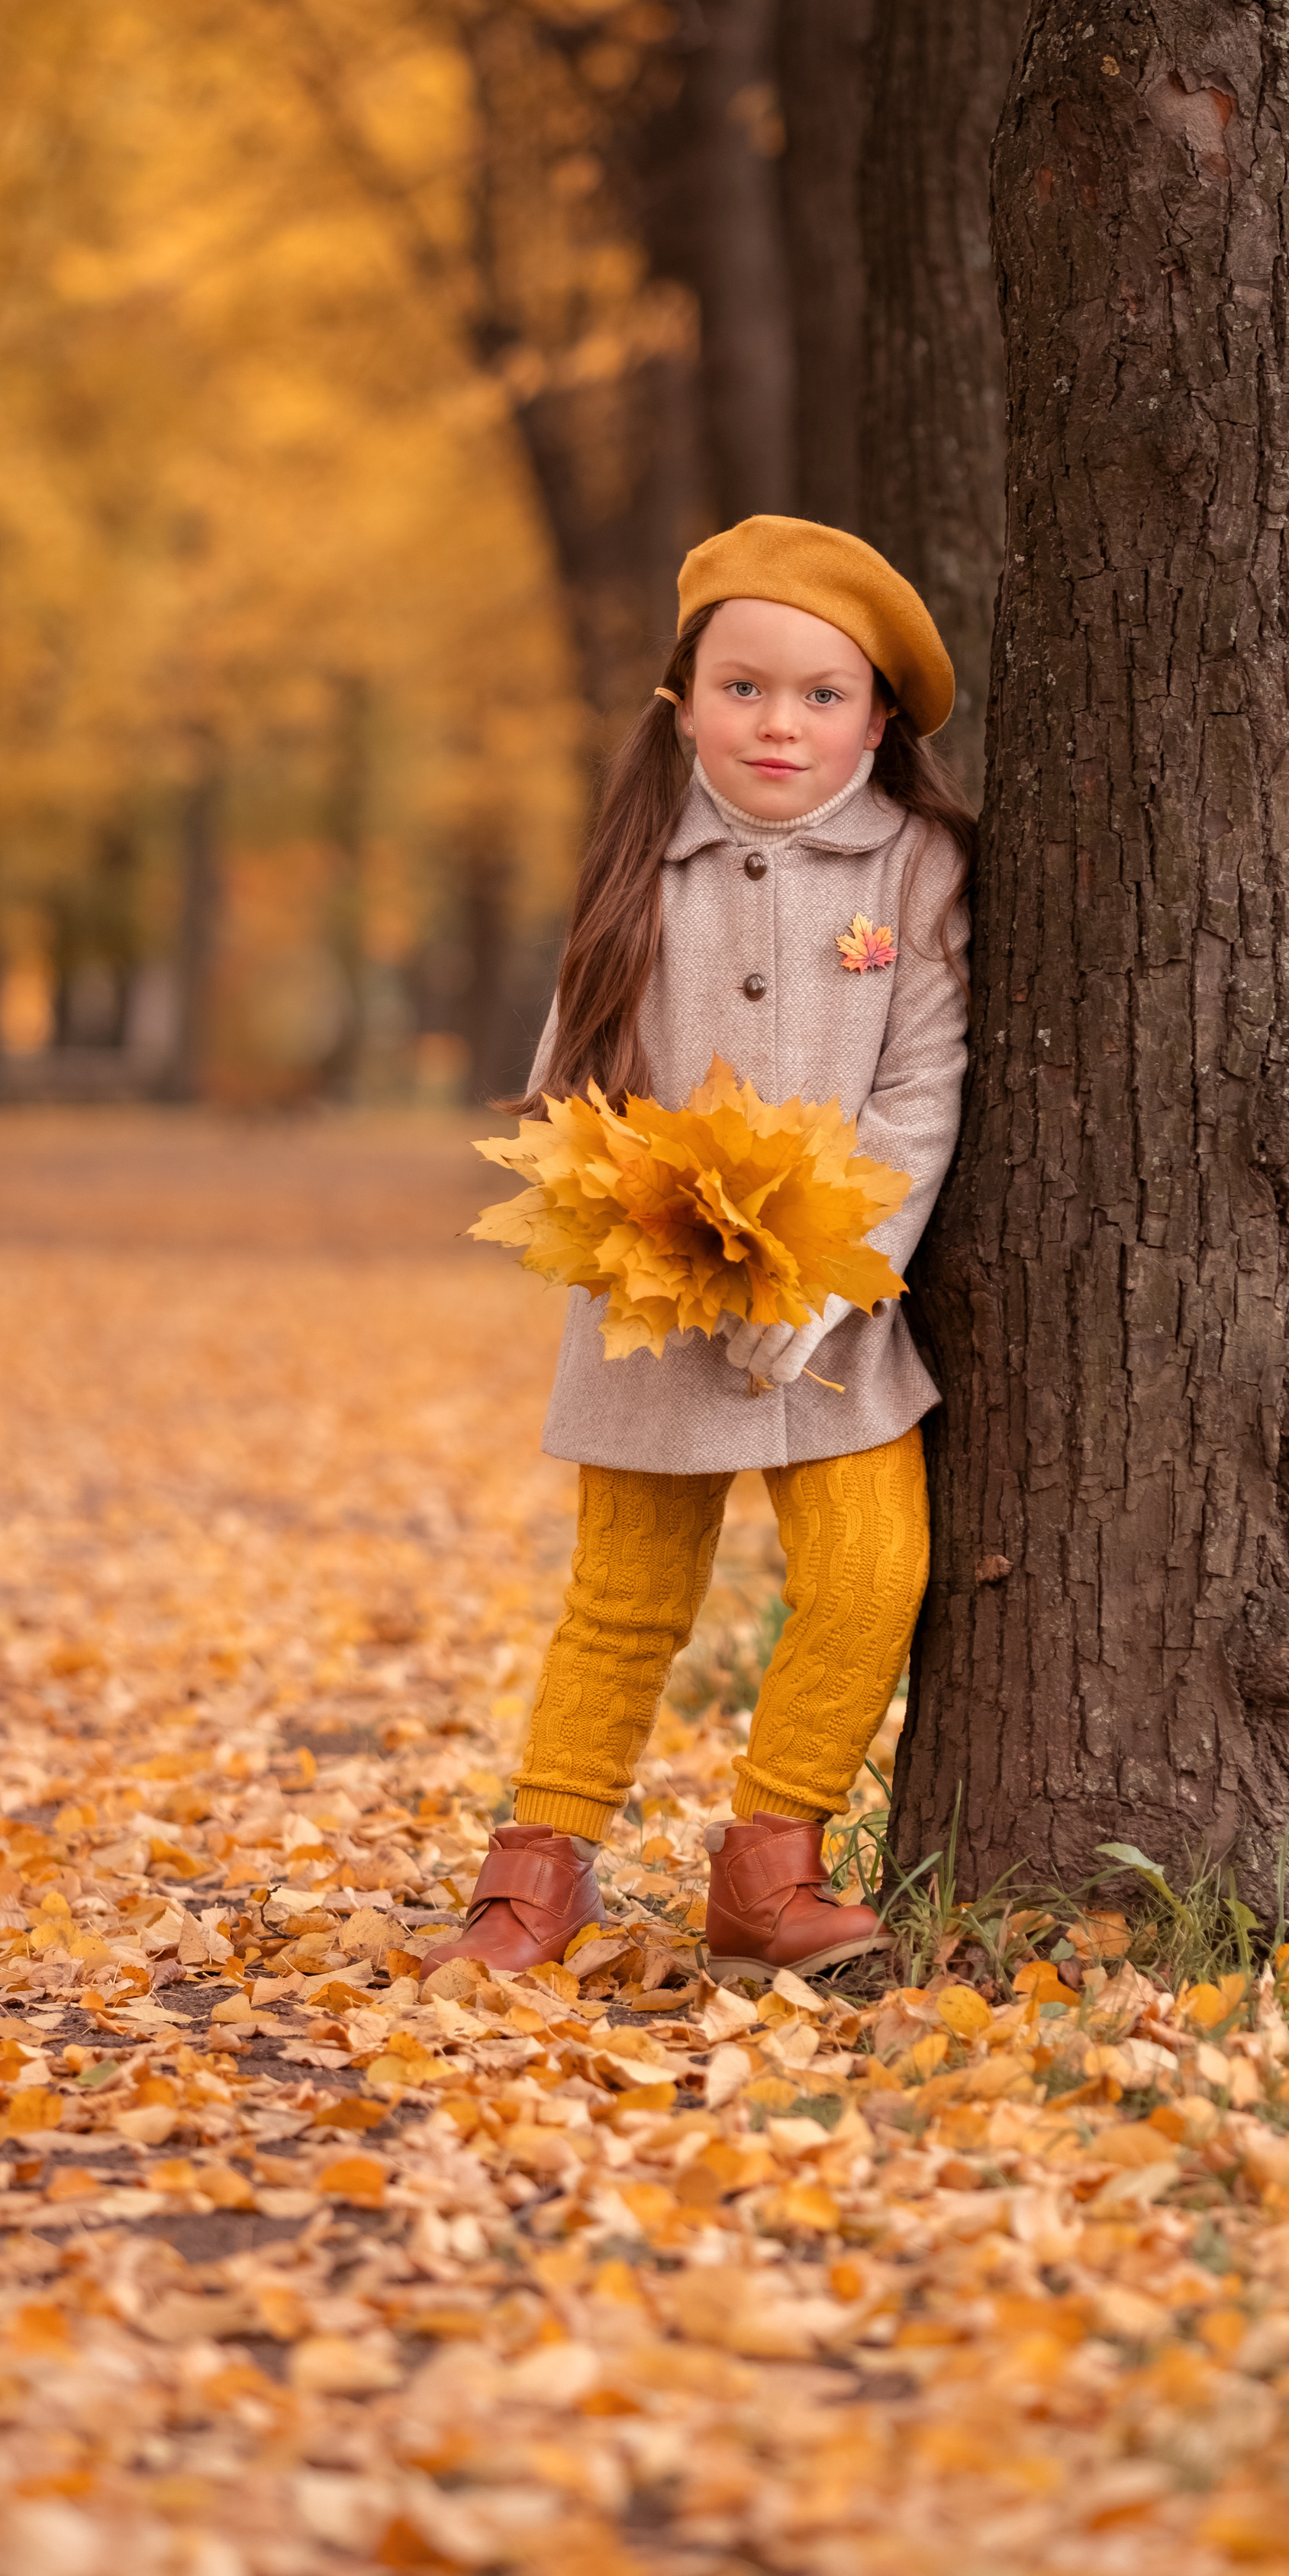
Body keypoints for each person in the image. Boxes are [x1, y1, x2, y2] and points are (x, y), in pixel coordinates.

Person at [422, 515, 974, 1985]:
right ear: (682, 704)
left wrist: (843, 1268)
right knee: (623, 1602)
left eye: (820, 694)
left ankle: (769, 1868)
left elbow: (923, 1090)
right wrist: (628, 1235)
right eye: (743, 688)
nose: (779, 723)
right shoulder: (638, 868)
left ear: (878, 715)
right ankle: (535, 1877)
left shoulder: (913, 872)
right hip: (654, 1301)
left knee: (871, 1575)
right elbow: (570, 1093)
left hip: (838, 1314)